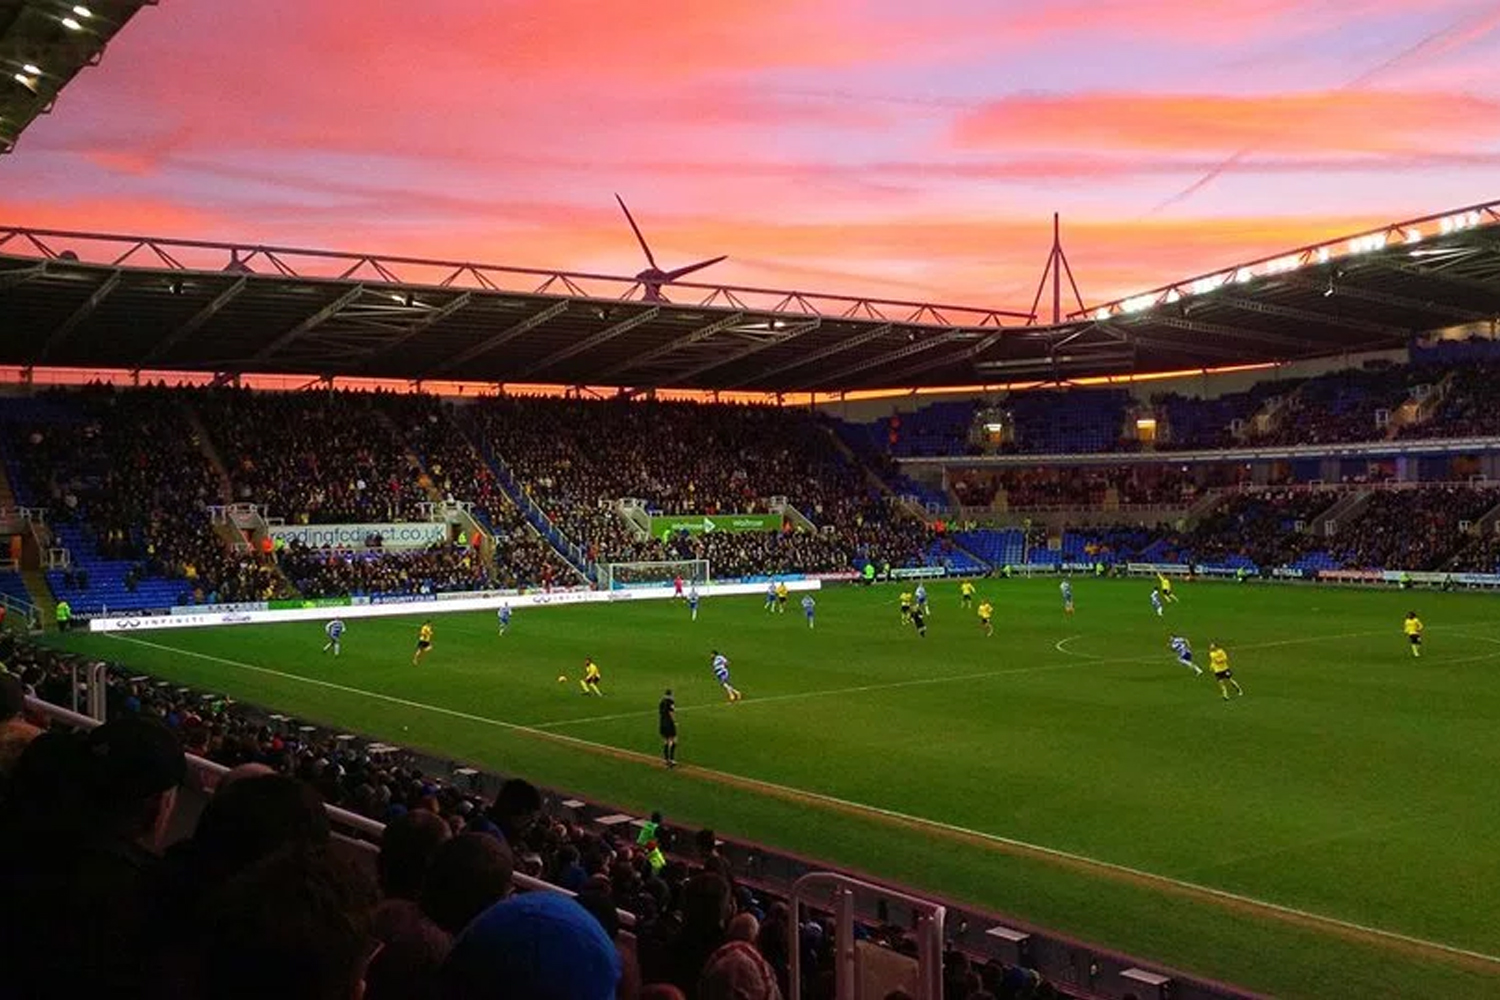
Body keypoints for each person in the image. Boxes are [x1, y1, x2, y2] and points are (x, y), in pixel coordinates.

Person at [659, 688, 678, 768]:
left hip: (662, 723)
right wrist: (674, 721)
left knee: (666, 741)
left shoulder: (661, 702)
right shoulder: (670, 702)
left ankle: (666, 759)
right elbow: (671, 712)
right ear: (671, 694)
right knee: (674, 740)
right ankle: (672, 759)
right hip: (669, 723)